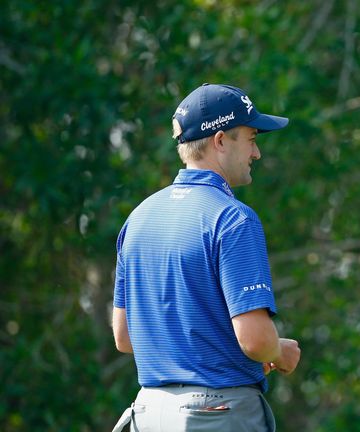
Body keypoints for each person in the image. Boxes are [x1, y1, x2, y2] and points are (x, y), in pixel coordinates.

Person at [111, 83, 301, 432]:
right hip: (216, 414)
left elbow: (125, 336)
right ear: (220, 141)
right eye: (251, 138)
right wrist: (278, 353)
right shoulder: (233, 218)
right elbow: (256, 340)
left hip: (149, 412)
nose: (256, 153)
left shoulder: (138, 217)